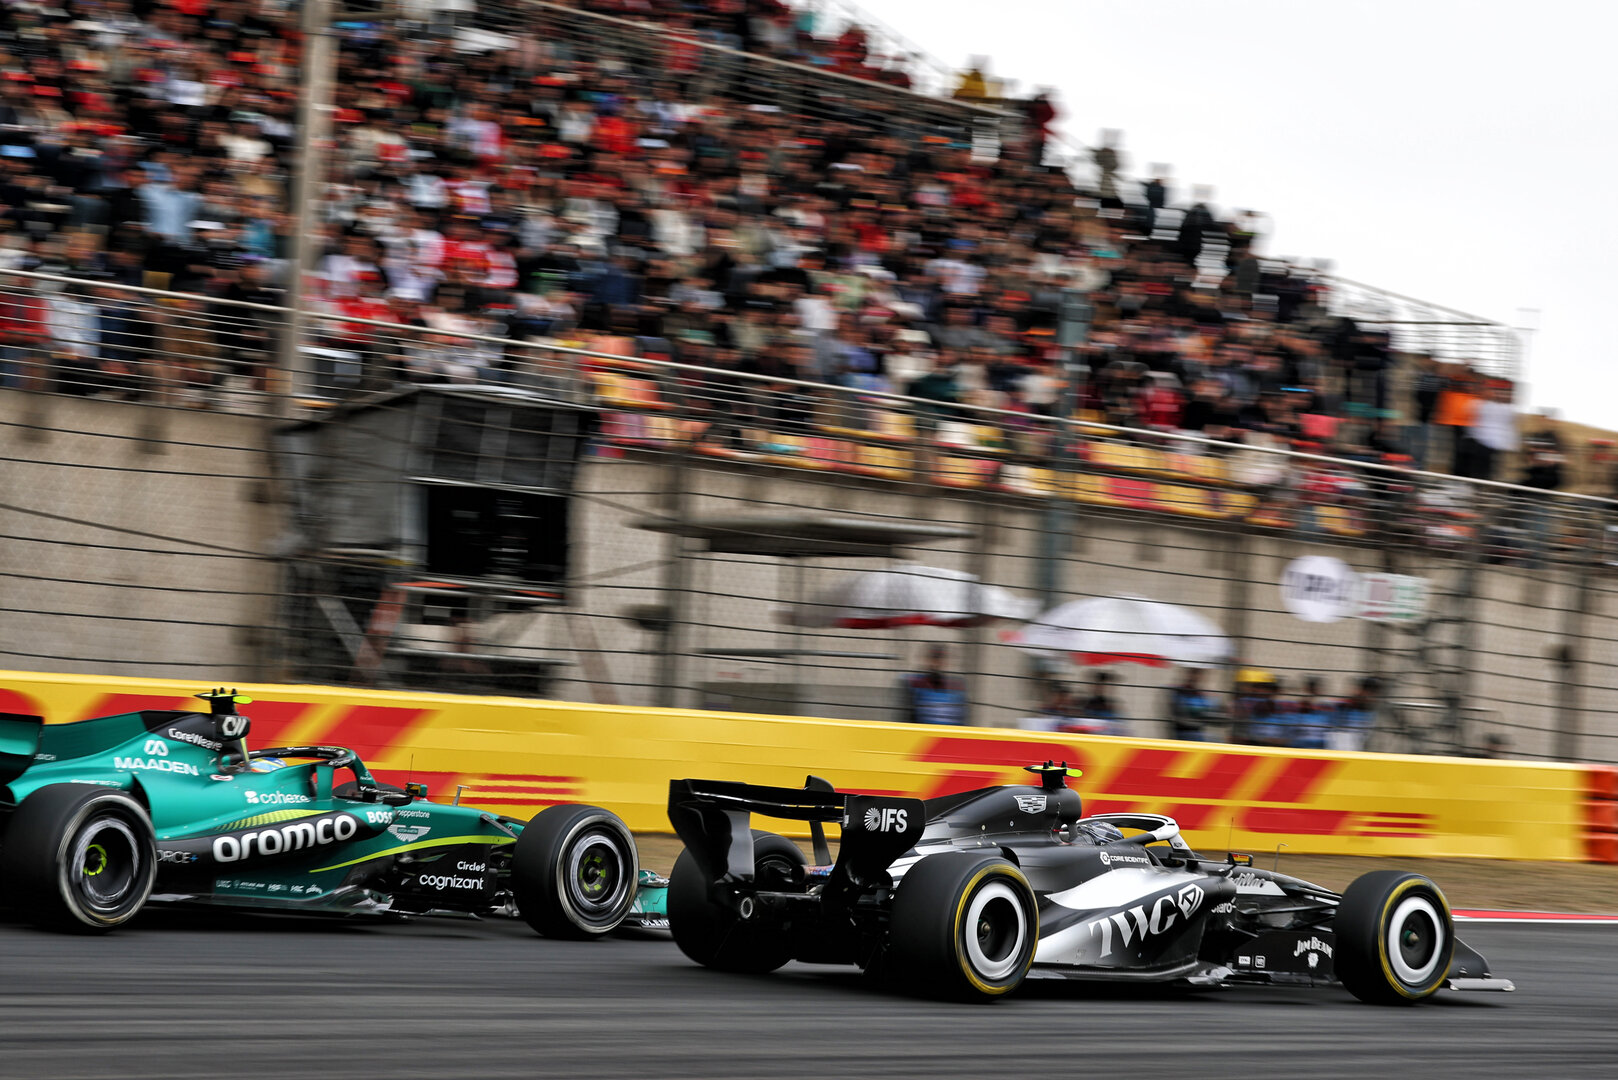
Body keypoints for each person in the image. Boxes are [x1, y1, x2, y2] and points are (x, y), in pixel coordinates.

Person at [902, 645, 967, 725]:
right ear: (926, 660)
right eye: (934, 658)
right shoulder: (914, 683)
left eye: (940, 659)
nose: (937, 663)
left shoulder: (956, 686)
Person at [1330, 676, 1381, 751]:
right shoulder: (1343, 706)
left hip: (1357, 746)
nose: (1373, 696)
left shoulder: (1372, 711)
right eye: (1369, 691)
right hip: (1342, 745)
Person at [1166, 668, 1218, 740]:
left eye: (1199, 674)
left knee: (1214, 739)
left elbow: (1209, 714)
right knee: (1213, 740)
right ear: (1188, 674)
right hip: (1183, 732)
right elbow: (1181, 715)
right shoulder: (1180, 692)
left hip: (1196, 732)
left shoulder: (1200, 694)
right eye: (1194, 673)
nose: (1197, 677)